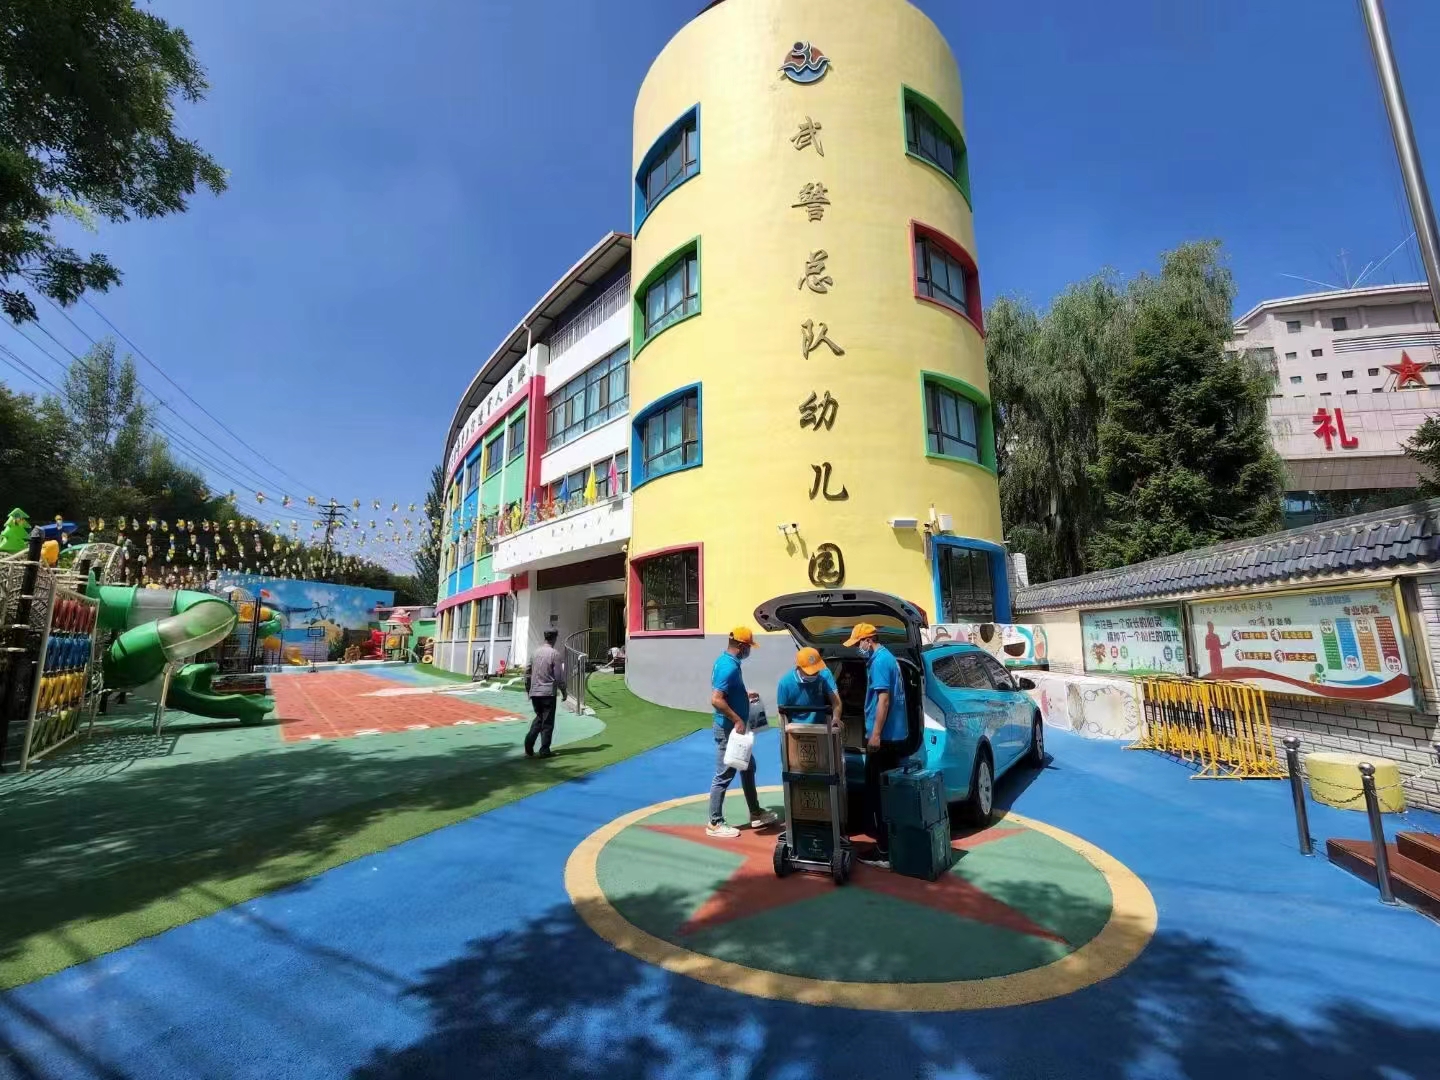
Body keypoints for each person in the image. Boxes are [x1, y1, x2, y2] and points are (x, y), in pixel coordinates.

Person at [843, 622, 908, 868]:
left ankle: (883, 852)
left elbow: (884, 700)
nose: (857, 648)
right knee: (885, 794)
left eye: (858, 643)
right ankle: (889, 846)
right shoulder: (888, 658)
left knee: (878, 795)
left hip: (884, 739)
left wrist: (876, 735)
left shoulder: (880, 662)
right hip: (893, 736)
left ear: (868, 640)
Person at [707, 626, 780, 838]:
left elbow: (728, 691)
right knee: (724, 774)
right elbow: (716, 699)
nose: (749, 650)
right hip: (728, 729)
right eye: (748, 646)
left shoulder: (727, 662)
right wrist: (737, 719)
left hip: (734, 729)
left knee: (748, 768)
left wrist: (744, 695)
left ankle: (755, 812)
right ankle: (714, 822)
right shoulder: (728, 667)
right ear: (740, 646)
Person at [774, 647, 842, 727]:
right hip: (796, 727)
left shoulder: (825, 674)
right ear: (799, 667)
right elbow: (781, 713)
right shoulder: (785, 683)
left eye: (816, 670)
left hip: (821, 726)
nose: (814, 673)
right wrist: (786, 729)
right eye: (810, 672)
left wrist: (836, 718)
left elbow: (836, 702)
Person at [525, 629, 566, 758]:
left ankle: (529, 741)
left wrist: (528, 689)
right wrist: (564, 691)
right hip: (548, 693)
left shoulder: (534, 653)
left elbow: (527, 672)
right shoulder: (555, 654)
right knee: (547, 722)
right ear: (554, 638)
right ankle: (544, 749)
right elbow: (558, 676)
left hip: (535, 692)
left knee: (539, 717)